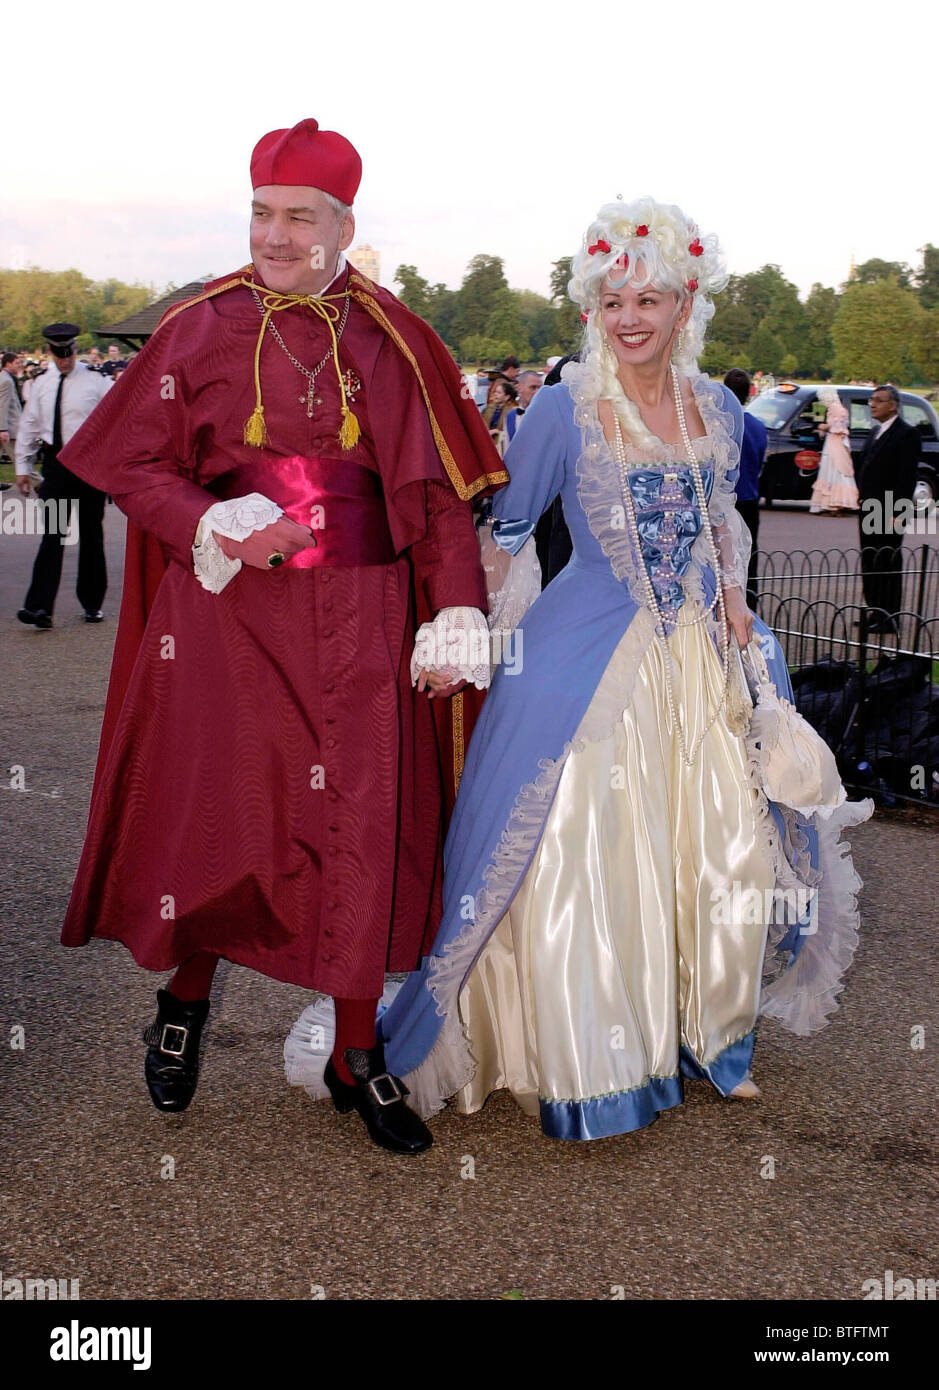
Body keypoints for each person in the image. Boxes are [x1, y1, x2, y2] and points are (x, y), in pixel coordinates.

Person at [288, 198, 872, 1140]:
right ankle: (595, 1053)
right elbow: (505, 540)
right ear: (592, 307)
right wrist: (456, 631)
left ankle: (709, 1036)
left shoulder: (717, 407)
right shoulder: (560, 409)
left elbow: (723, 528)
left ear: (687, 306)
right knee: (587, 850)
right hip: (585, 657)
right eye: (613, 301)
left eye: (649, 299)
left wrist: (737, 619)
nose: (631, 317)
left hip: (699, 665)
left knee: (715, 841)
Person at [57, 117, 507, 1155]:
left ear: (343, 224)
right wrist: (207, 519)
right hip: (229, 615)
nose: (274, 232)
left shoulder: (396, 337)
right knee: (225, 816)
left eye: (299, 216)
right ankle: (186, 999)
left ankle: (359, 1050)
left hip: (365, 615)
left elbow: (437, 499)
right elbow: (134, 466)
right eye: (262, 212)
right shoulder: (195, 327)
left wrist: (455, 608)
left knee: (359, 823)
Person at [14, 323, 110, 628]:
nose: (64, 359)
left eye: (68, 353)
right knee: (52, 536)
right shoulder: (42, 383)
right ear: (50, 352)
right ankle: (40, 608)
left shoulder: (97, 382)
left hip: (89, 465)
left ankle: (92, 604)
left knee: (92, 536)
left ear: (75, 349)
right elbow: (30, 425)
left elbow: (116, 421)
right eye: (58, 354)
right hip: (56, 465)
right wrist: (22, 468)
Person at [856, 384, 920, 633]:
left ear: (892, 405)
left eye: (879, 400)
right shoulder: (875, 432)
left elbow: (906, 476)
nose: (872, 404)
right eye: (872, 399)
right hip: (869, 506)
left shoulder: (907, 434)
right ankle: (875, 610)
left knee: (887, 560)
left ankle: (889, 616)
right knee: (870, 559)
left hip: (889, 509)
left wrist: (898, 511)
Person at [724, 368, 766, 608]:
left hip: (725, 499)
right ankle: (750, 604)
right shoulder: (758, 427)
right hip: (750, 498)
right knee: (749, 558)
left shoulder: (719, 424)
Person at [809, 385, 858, 514]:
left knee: (834, 470)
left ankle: (834, 504)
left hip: (835, 444)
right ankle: (833, 504)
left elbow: (837, 428)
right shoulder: (834, 407)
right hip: (833, 442)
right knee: (832, 471)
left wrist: (821, 426)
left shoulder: (836, 408)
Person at [482, 378, 517, 454]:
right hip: (485, 445)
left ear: (507, 397)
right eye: (495, 392)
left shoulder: (513, 412)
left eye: (499, 392)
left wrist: (498, 432)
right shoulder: (488, 408)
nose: (495, 394)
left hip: (501, 449)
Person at [0, 351, 23, 463]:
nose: (20, 365)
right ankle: (38, 481)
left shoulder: (4, 378)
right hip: (8, 429)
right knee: (21, 464)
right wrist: (3, 429)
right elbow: (3, 406)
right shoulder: (7, 381)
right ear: (8, 364)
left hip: (5, 428)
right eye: (17, 363)